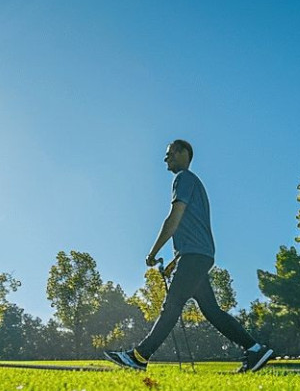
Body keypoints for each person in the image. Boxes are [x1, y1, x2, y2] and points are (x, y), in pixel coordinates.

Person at [105, 139, 275, 373]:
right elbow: (192, 229)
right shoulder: (192, 182)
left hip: (195, 257)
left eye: (170, 153)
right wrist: (175, 262)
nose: (166, 158)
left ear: (184, 153)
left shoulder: (183, 179)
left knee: (172, 306)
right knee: (212, 311)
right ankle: (255, 349)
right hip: (199, 255)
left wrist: (153, 253)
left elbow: (174, 218)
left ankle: (139, 357)